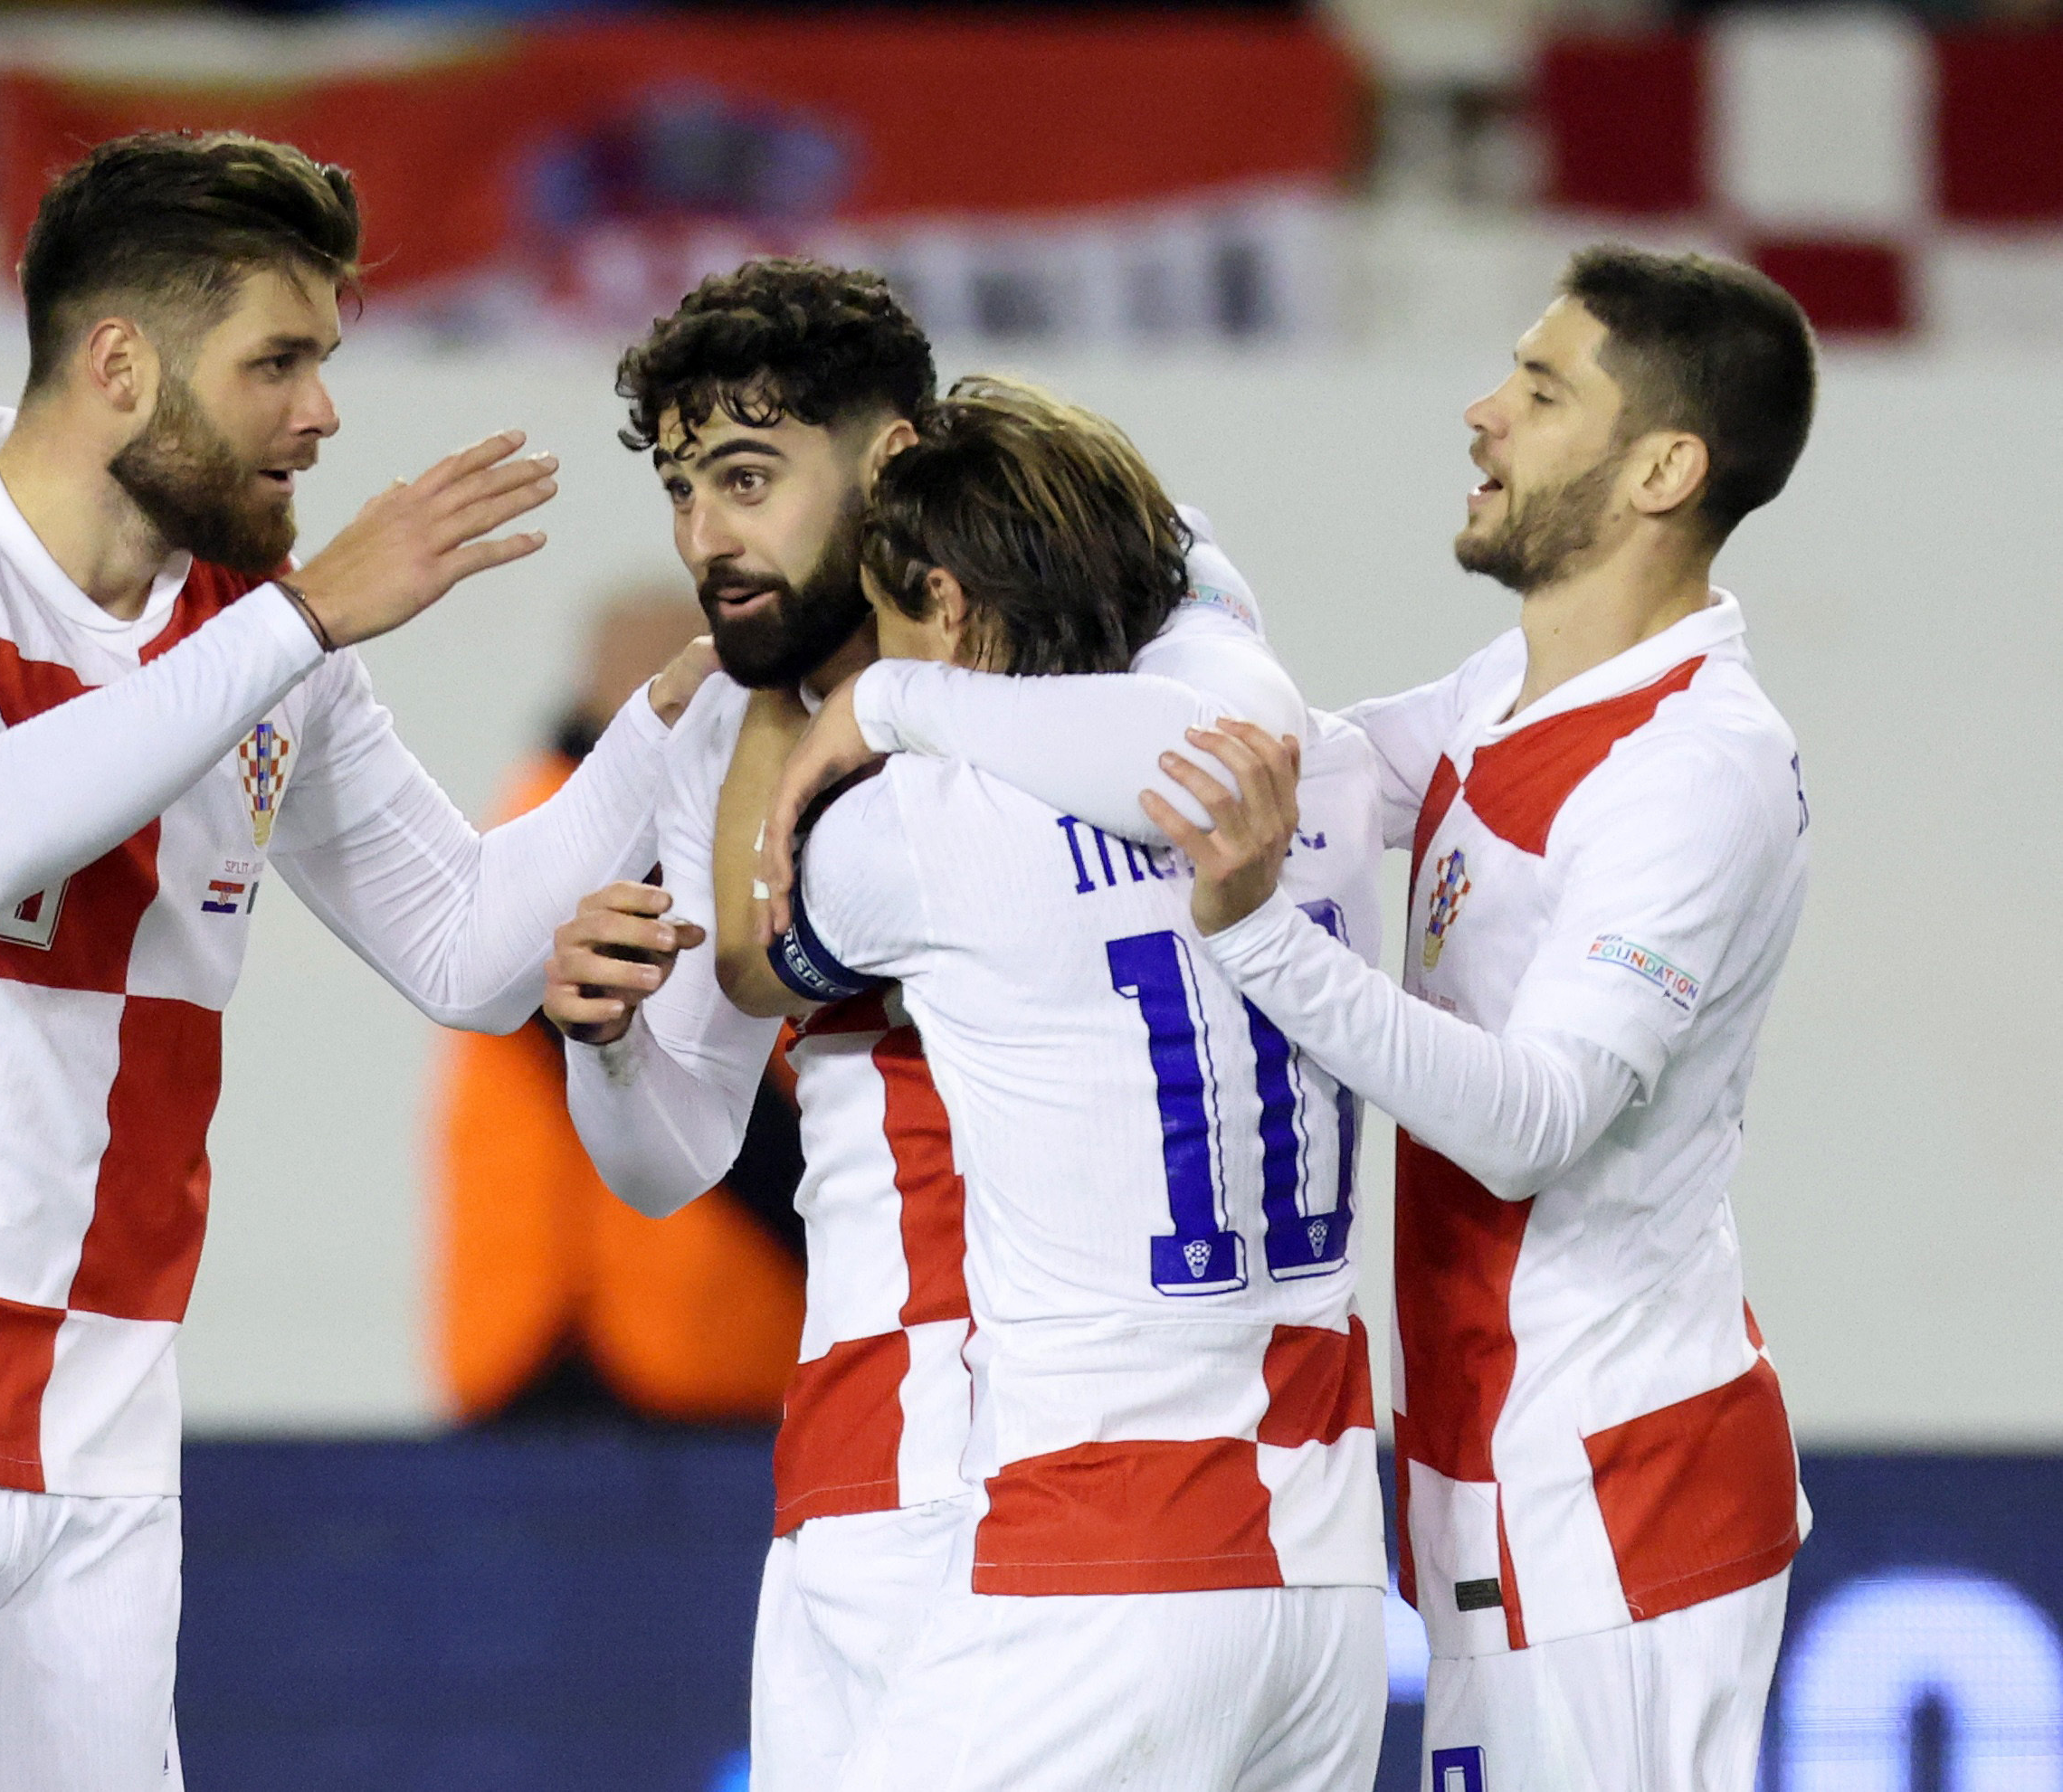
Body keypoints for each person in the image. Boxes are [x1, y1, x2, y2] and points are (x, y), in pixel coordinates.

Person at [0, 130, 710, 1792]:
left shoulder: (254, 631)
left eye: (325, 362)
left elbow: (474, 951)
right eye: (278, 361)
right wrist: (300, 622)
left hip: (94, 1429)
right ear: (120, 363)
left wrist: (693, 706)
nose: (324, 413)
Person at [542, 260, 1377, 1788]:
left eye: (745, 478)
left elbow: (751, 955)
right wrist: (604, 1040)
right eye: (678, 491)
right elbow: (673, 1152)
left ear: (891, 460)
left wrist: (875, 714)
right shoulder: (744, 716)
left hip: (1006, 1480)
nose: (705, 538)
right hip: (856, 1471)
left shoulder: (1102, 635)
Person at [1138, 246, 1819, 1792]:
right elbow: (1289, 777)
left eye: (1536, 387)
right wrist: (1143, 565)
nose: (1480, 413)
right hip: (1488, 1466)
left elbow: (1529, 1125)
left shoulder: (1688, 768)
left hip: (1614, 1494)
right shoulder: (1507, 694)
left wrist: (1257, 939)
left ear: (1662, 467)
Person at [432, 583, 804, 1425]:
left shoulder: (557, 834)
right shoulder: (571, 844)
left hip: (678, 1344)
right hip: (590, 1349)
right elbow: (713, 1107)